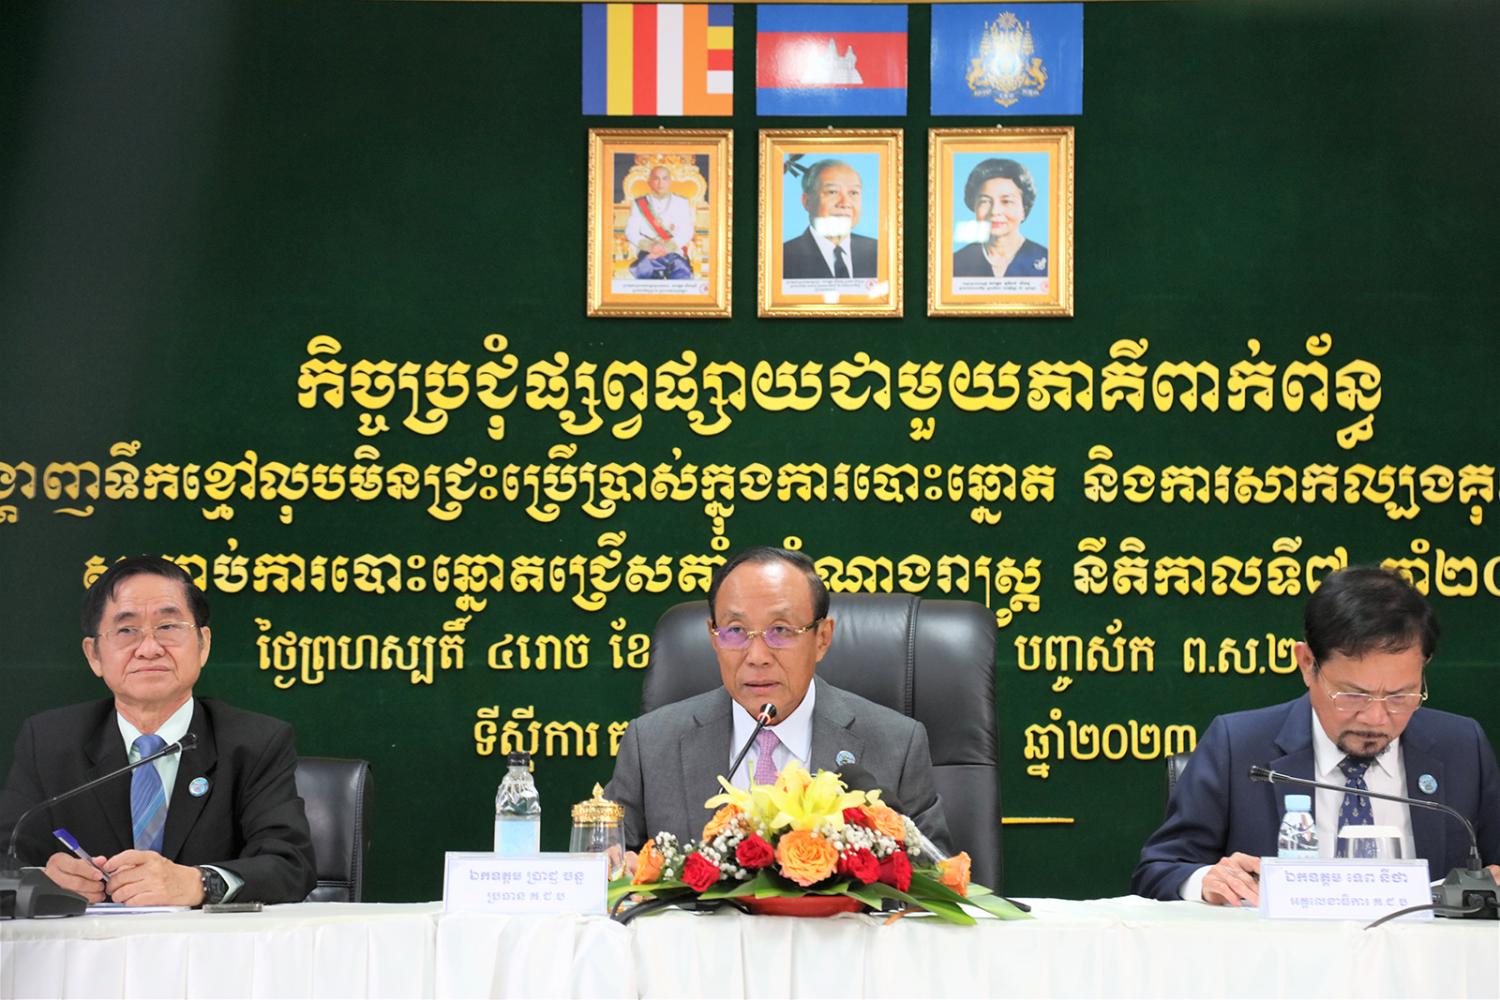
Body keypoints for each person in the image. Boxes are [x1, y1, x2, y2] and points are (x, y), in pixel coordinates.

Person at [1132, 566, 1500, 905]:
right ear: (1307, 664)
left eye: (1400, 696)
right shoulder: (1237, 746)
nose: (1376, 718)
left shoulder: (1462, 747)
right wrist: (1204, 880)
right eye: (1353, 695)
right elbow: (1158, 871)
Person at [0, 556, 316, 906]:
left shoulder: (256, 742)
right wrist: (42, 880)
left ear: (203, 644)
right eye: (126, 631)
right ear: (94, 655)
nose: (149, 649)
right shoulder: (48, 742)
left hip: (208, 941)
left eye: (168, 627)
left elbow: (290, 865)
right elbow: (5, 858)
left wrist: (199, 882)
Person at [605, 546, 951, 854]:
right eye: (736, 631)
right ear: (714, 637)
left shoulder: (896, 745)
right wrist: (617, 869)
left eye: (781, 631)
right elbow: (606, 864)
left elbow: (936, 882)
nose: (757, 656)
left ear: (822, 638)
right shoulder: (651, 745)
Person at [951, 158, 1049, 279]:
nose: (994, 211)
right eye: (985, 201)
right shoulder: (956, 263)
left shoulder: (1047, 260)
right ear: (974, 207)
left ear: (1024, 209)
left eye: (1006, 201)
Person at [781, 159, 878, 280]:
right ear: (807, 201)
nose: (845, 203)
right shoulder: (782, 257)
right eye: (832, 192)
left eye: (853, 193)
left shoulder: (878, 252)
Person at [622, 164, 695, 280]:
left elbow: (687, 231)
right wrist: (650, 246)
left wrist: (667, 247)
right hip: (648, 252)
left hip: (673, 251)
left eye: (665, 179)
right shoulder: (639, 203)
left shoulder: (681, 202)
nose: (661, 183)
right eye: (656, 178)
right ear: (649, 182)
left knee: (681, 271)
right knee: (645, 269)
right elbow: (630, 231)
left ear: (670, 181)